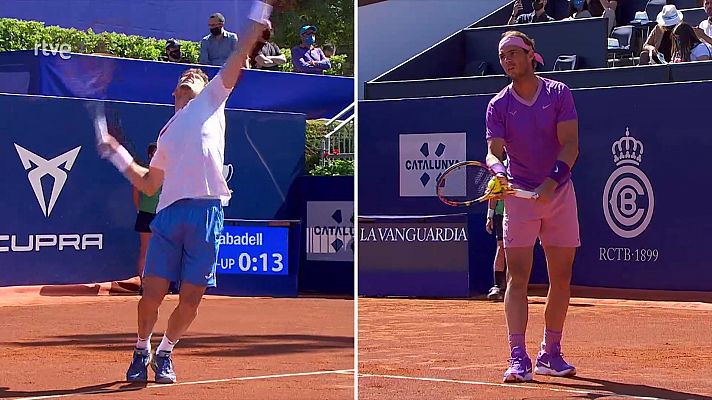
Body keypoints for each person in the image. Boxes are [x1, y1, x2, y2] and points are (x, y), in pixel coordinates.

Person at [94, 0, 274, 384]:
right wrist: (118, 154)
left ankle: (165, 353)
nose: (192, 76)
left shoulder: (211, 99)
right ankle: (141, 348)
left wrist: (261, 11)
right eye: (186, 76)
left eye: (197, 74)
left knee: (191, 299)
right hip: (171, 215)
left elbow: (242, 52)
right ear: (176, 92)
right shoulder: (166, 134)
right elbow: (148, 183)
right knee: (151, 295)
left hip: (208, 214)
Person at [485, 31, 580, 383]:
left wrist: (549, 185)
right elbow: (494, 151)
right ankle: (517, 356)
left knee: (561, 277)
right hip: (519, 199)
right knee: (518, 277)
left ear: (530, 55)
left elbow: (570, 145)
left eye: (514, 53)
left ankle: (549, 353)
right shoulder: (498, 105)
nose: (508, 60)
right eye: (503, 55)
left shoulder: (558, 93)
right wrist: (499, 172)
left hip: (559, 194)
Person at [132, 143, 162, 289]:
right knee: (146, 250)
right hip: (146, 215)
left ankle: (161, 284)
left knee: (163, 250)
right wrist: (140, 209)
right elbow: (135, 193)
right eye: (156, 153)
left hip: (162, 216)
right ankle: (143, 285)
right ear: (150, 155)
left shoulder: (166, 173)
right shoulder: (143, 173)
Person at [485, 193, 507, 301]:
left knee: (520, 249)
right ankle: (497, 286)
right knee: (501, 246)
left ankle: (515, 285)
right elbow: (493, 195)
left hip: (520, 215)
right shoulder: (498, 177)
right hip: (501, 214)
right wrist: (489, 216)